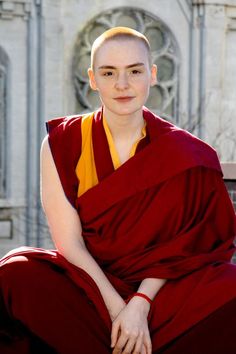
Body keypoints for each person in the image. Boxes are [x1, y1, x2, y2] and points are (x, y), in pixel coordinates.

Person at [0, 26, 236, 354]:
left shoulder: (185, 154)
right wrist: (118, 310)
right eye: (109, 73)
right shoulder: (62, 143)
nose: (122, 84)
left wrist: (139, 304)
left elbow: (183, 248)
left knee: (230, 289)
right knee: (14, 273)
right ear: (93, 78)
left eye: (134, 71)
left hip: (161, 289)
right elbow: (69, 242)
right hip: (90, 285)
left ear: (152, 74)